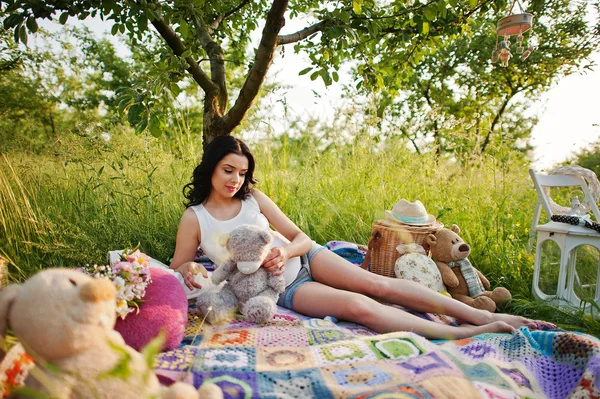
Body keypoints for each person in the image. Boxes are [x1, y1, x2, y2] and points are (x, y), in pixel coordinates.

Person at [169, 136, 536, 340]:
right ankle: (460, 333)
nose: (235, 179)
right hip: (286, 287)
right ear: (212, 168)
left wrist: (285, 250)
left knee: (379, 285)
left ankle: (471, 314)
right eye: (228, 170)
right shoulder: (195, 217)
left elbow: (299, 236)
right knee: (357, 307)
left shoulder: (254, 198)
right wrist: (187, 267)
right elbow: (178, 264)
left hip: (309, 257)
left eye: (242, 172)